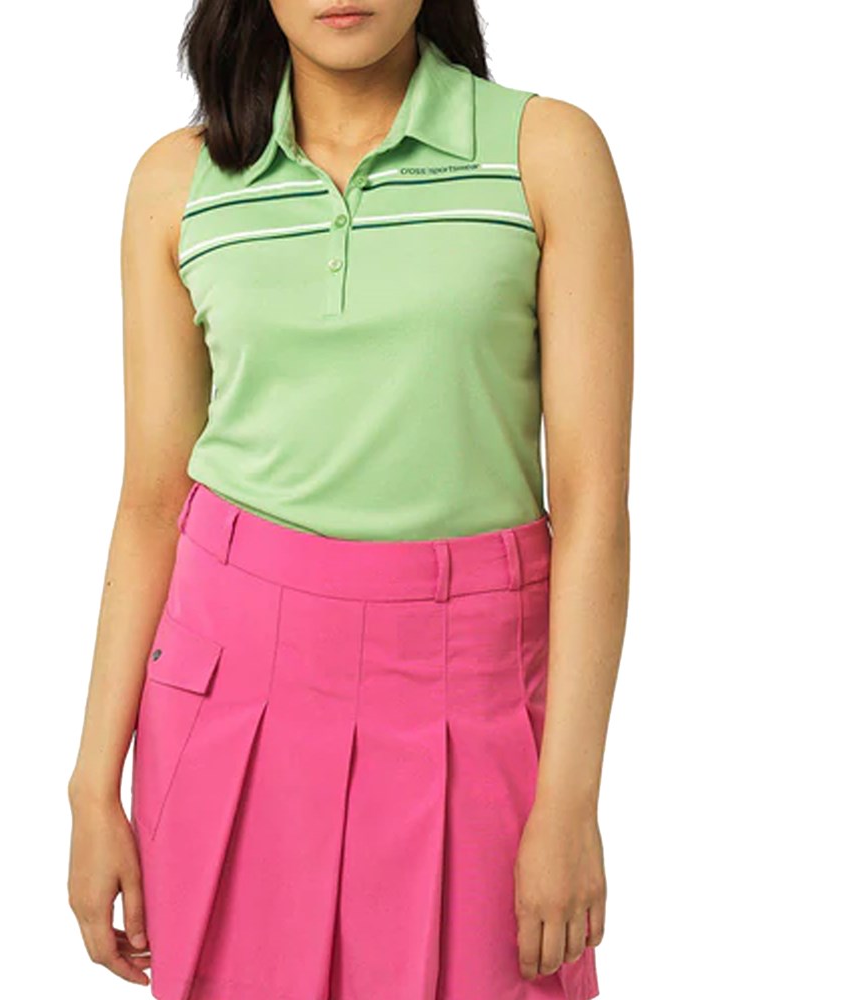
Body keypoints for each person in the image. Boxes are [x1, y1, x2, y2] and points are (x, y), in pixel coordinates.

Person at [68, 2, 632, 998]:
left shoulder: (546, 154)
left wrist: (571, 800)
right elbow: (152, 501)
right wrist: (90, 783)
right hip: (229, 693)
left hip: (475, 690)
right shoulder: (177, 181)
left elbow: (592, 505)